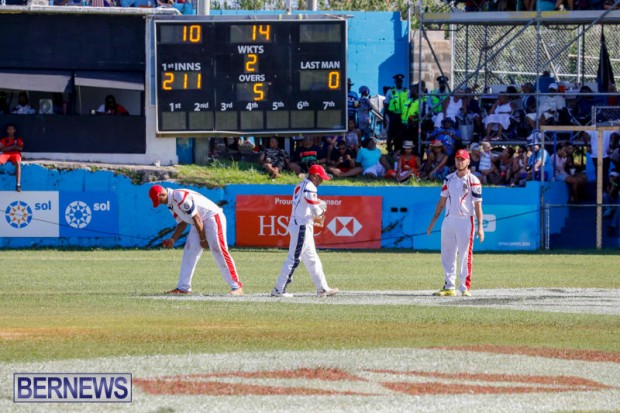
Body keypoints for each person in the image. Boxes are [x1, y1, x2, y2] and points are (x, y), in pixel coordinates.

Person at [148, 185, 244, 296]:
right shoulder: (170, 204)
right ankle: (183, 287)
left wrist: (203, 239)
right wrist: (173, 239)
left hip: (212, 217)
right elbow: (182, 223)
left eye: (159, 200)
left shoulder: (179, 196)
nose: (159, 203)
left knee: (219, 251)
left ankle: (237, 287)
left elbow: (197, 217)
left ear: (162, 194)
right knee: (189, 252)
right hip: (198, 222)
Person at [271, 164, 339, 298]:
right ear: (314, 176)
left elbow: (306, 204)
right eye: (320, 178)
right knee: (294, 259)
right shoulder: (310, 187)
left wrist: (316, 208)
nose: (322, 181)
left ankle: (322, 288)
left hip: (300, 224)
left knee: (312, 258)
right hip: (301, 226)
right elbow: (314, 209)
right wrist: (321, 211)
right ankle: (279, 289)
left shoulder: (301, 185)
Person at [427, 149, 484, 297]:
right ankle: (449, 286)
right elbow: (442, 201)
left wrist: (480, 227)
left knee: (465, 254)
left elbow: (478, 205)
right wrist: (433, 222)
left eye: (463, 159)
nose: (460, 162)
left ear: (468, 161)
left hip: (466, 220)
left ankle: (465, 287)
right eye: (458, 159)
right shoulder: (448, 179)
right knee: (447, 254)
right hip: (449, 220)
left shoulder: (474, 180)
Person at [383, 74, 408, 153]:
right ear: (395, 82)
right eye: (398, 81)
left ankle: (402, 150)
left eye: (400, 81)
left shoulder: (407, 91)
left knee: (403, 134)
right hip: (394, 115)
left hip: (404, 116)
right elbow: (386, 104)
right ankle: (392, 150)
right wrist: (384, 117)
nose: (399, 83)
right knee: (393, 133)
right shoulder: (390, 92)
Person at [0, 124, 24, 192]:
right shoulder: (4, 140)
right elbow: (2, 149)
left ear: (14, 130)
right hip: (5, 154)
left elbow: (20, 148)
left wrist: (7, 148)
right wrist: (13, 146)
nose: (10, 130)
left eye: (12, 129)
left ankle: (18, 185)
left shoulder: (18, 140)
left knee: (18, 163)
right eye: (9, 129)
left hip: (16, 154)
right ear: (7, 131)